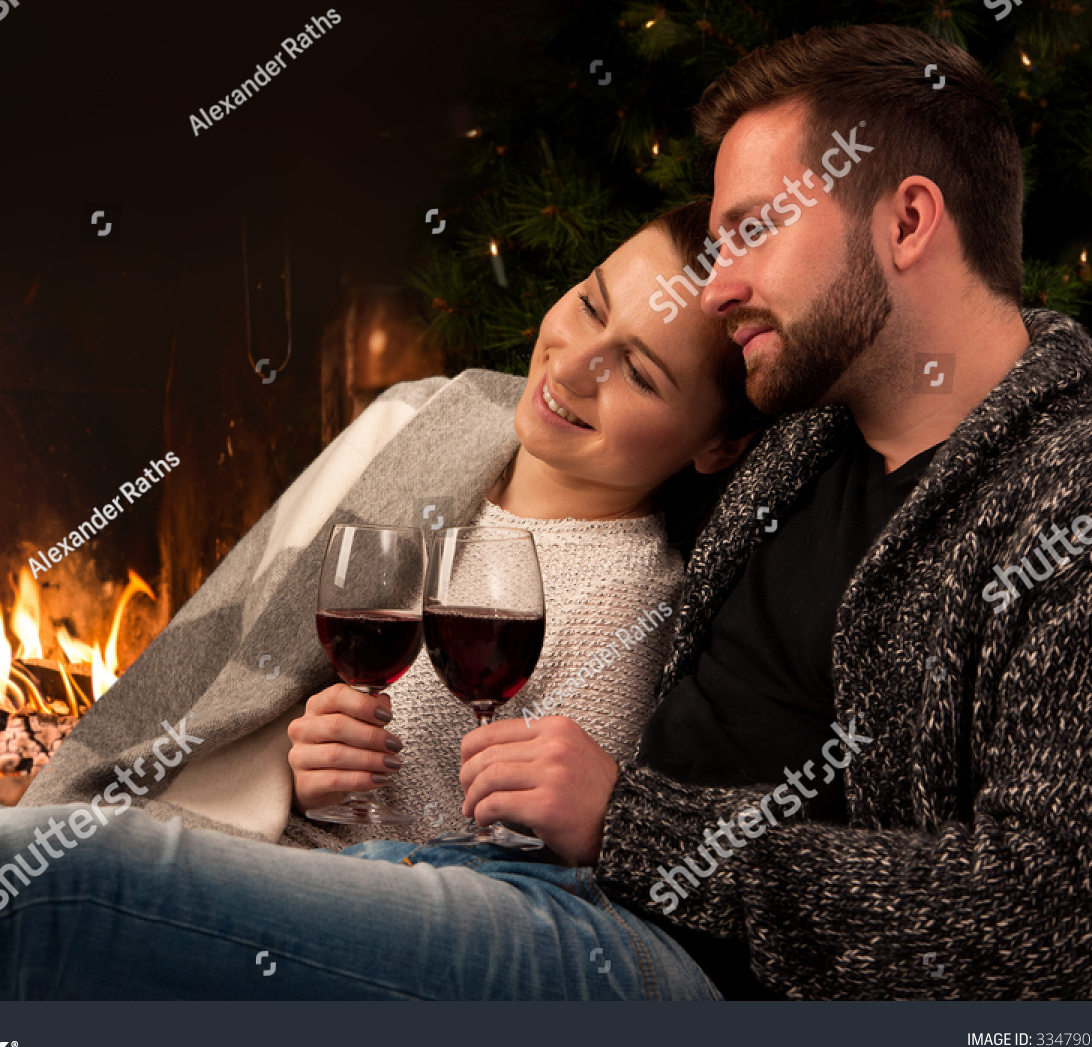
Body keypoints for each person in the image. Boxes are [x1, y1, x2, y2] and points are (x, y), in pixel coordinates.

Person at [0, 23, 1092, 1001]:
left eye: (754, 236)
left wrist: (633, 824)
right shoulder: (793, 440)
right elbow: (573, 497)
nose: (718, 289)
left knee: (76, 887)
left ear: (910, 220)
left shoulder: (1086, 498)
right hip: (522, 887)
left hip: (672, 980)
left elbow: (1072, 923)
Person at [287, 201, 756, 848]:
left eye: (639, 374)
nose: (568, 368)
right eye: (591, 306)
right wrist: (313, 775)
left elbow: (528, 877)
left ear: (719, 447)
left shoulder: (621, 598)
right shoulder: (427, 428)